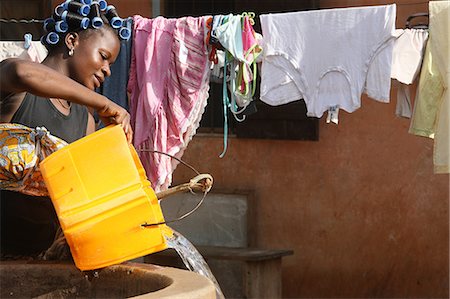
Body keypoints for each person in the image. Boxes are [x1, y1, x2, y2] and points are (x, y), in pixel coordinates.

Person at [0, 0, 132, 258]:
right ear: (72, 40)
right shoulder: (18, 84)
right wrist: (104, 102)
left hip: (37, 260)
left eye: (111, 65)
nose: (106, 70)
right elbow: (21, 72)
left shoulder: (86, 120)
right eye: (103, 57)